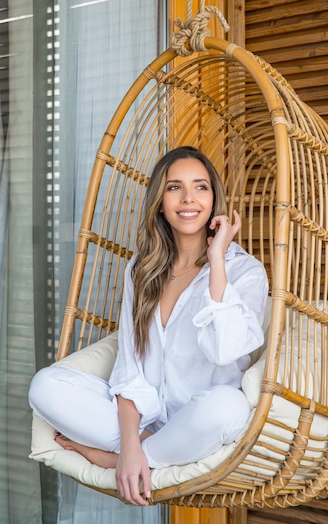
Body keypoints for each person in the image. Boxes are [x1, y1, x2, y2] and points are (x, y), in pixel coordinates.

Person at [29, 146, 269, 506]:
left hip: (201, 421)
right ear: (160, 200)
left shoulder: (244, 271)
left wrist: (217, 257)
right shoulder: (142, 268)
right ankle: (144, 456)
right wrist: (129, 445)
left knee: (229, 407)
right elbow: (130, 369)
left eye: (200, 187)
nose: (188, 198)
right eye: (174, 187)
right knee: (44, 386)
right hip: (148, 423)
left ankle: (114, 461)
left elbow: (226, 349)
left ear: (214, 198)